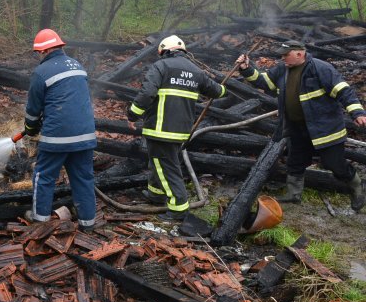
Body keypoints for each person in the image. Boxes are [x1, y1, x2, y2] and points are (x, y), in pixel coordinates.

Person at [237, 40, 366, 211]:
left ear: (299, 53)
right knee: (295, 161)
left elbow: (343, 90)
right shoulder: (283, 69)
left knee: (333, 163)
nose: (282, 58)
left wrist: (357, 112)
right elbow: (264, 81)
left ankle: (357, 186)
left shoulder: (320, 68)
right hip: (297, 127)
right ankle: (293, 194)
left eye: (285, 55)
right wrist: (246, 69)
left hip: (325, 129)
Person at [127, 35, 227, 220]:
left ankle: (179, 208)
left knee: (166, 166)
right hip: (181, 130)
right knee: (159, 162)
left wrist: (132, 114)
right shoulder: (196, 71)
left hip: (160, 128)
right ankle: (156, 194)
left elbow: (147, 93)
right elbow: (218, 91)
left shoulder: (161, 66)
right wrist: (222, 86)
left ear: (164, 51)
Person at [23, 29, 98, 231]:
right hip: (85, 134)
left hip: (58, 136)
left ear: (43, 51)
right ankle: (88, 223)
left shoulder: (41, 72)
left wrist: (30, 128)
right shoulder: (78, 66)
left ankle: (40, 220)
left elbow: (32, 110)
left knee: (44, 175)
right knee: (83, 177)